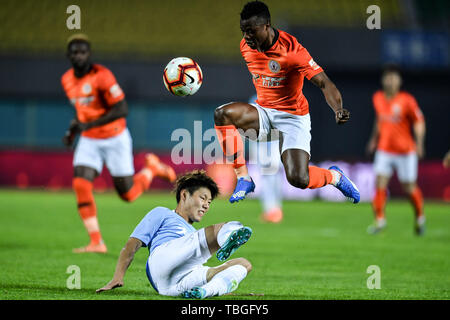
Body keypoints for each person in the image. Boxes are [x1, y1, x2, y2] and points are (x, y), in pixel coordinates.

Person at [214, 1, 360, 205]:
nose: (246, 36)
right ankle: (244, 178)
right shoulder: (245, 46)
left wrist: (338, 109)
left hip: (293, 117)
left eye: (251, 31)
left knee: (298, 179)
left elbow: (324, 83)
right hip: (263, 113)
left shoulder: (292, 50)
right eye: (243, 31)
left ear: (266, 25)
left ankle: (335, 177)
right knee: (222, 114)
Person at [61, 34, 177, 253]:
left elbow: (122, 108)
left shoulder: (102, 76)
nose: (78, 56)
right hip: (89, 140)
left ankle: (151, 170)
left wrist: (92, 123)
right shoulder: (67, 79)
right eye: (74, 52)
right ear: (69, 55)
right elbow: (82, 113)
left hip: (115, 137)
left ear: (89, 55)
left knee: (128, 195)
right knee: (81, 184)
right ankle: (96, 242)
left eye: (82, 52)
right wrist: (72, 131)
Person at [96, 170, 253, 299]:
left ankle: (209, 290)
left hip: (170, 286)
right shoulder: (162, 213)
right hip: (162, 260)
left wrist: (226, 286)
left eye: (209, 202)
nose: (206, 205)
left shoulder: (193, 236)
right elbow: (132, 244)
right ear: (184, 195)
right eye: (203, 198)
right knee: (229, 227)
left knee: (243, 264)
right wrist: (118, 276)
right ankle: (228, 238)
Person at [366, 64, 426, 235]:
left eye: (394, 78)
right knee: (379, 183)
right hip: (384, 149)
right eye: (388, 78)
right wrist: (373, 139)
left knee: (409, 187)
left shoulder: (407, 100)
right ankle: (379, 220)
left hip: (405, 151)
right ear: (383, 80)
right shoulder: (377, 97)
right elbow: (379, 120)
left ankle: (420, 217)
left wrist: (420, 143)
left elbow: (419, 122)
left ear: (399, 81)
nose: (390, 81)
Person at [248, 94, 284, 223]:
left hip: (274, 144)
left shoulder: (277, 98)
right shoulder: (255, 100)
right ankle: (272, 210)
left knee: (272, 176)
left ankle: (273, 210)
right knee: (269, 177)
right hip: (262, 144)